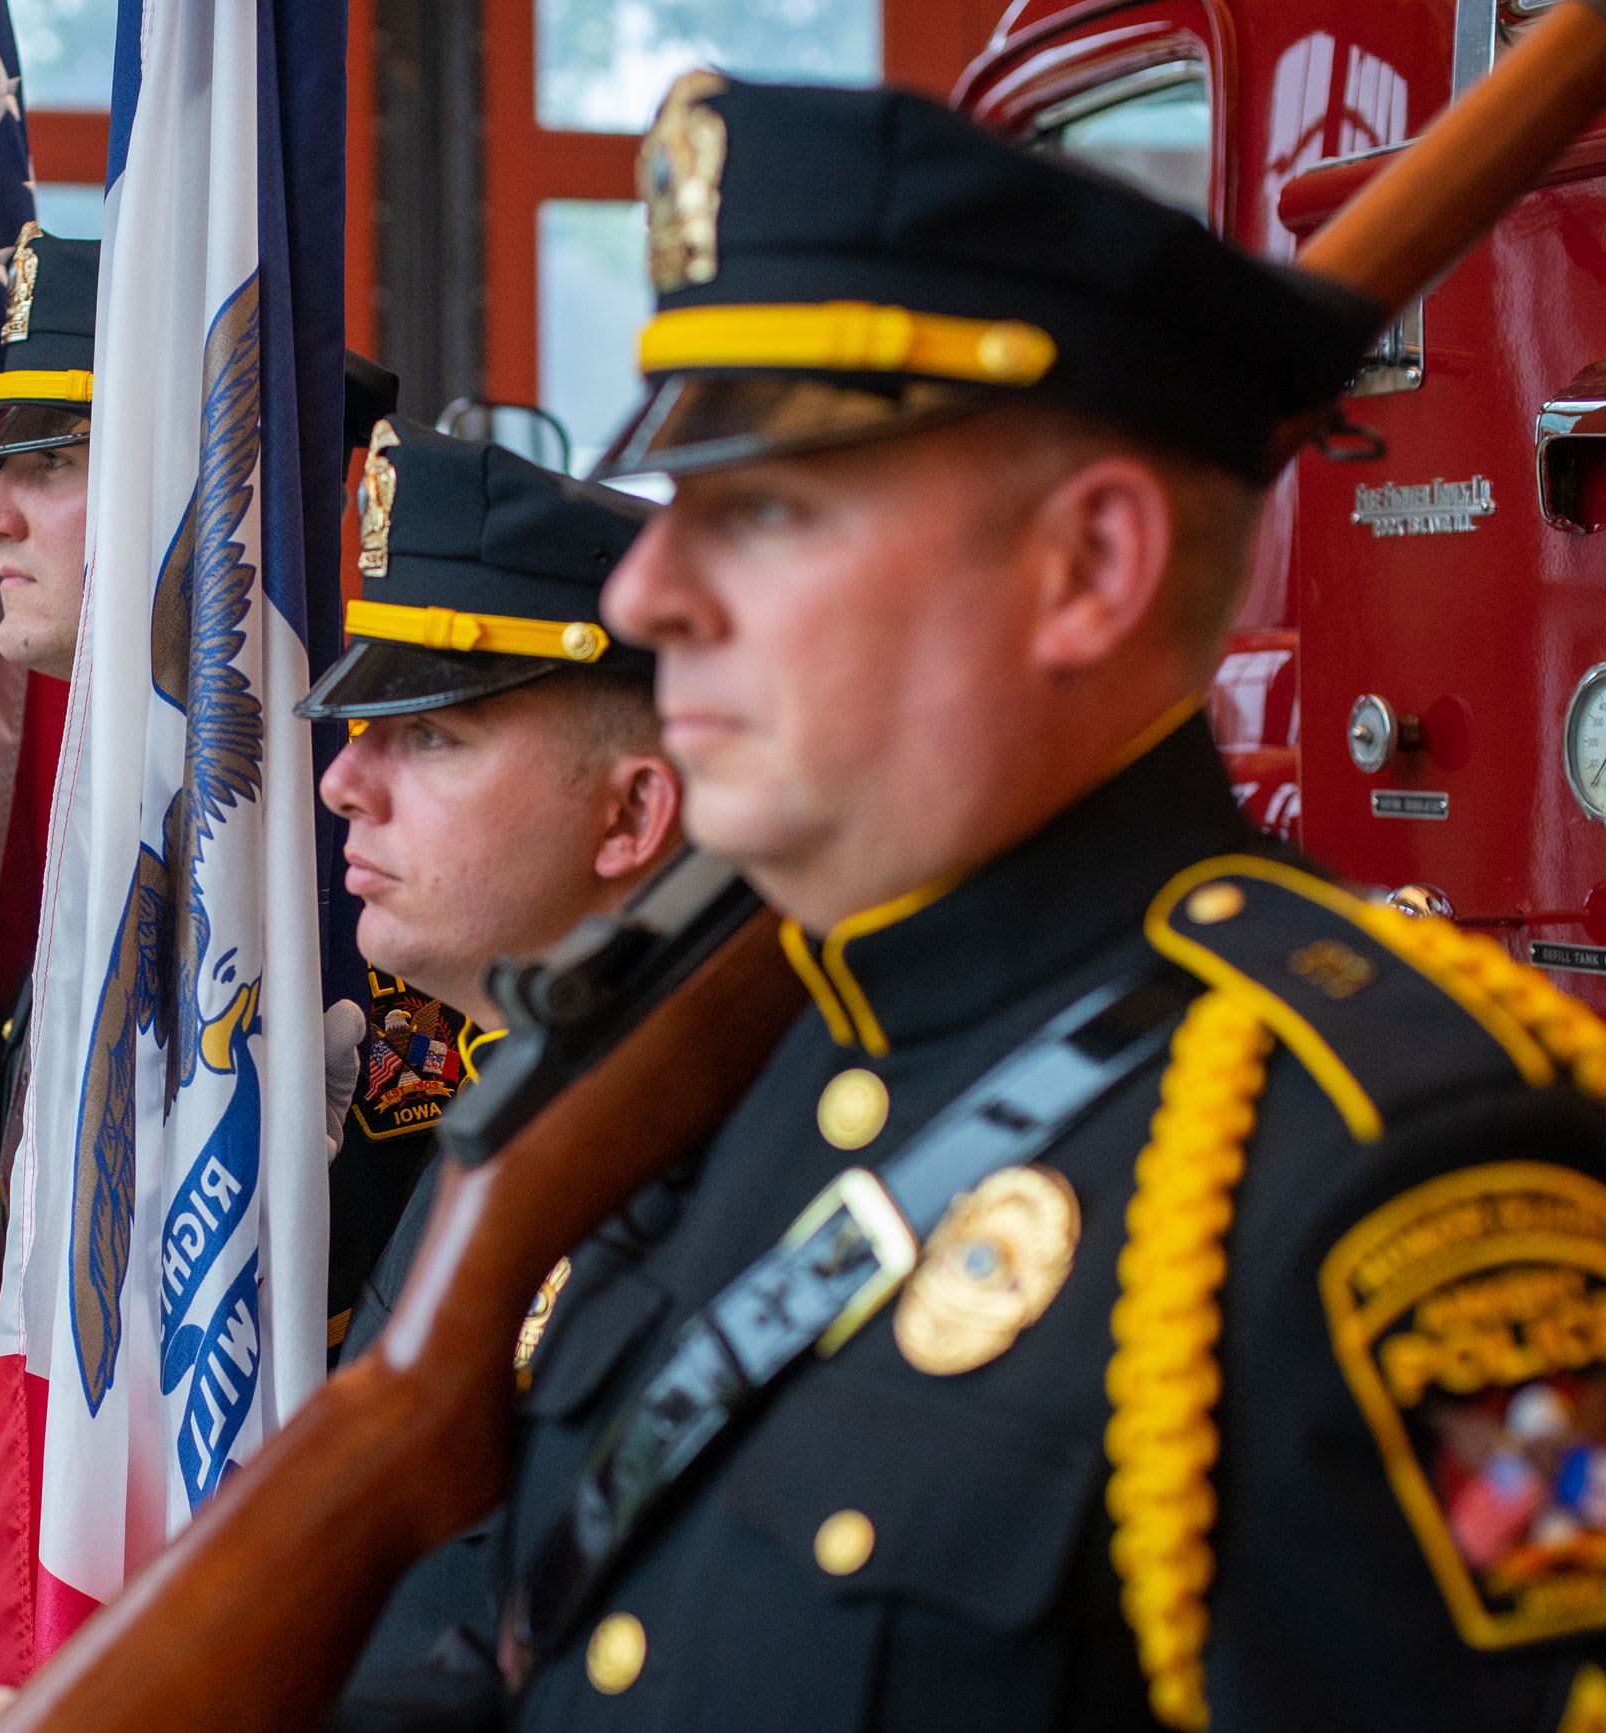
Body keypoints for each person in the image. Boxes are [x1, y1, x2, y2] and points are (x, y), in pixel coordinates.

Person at [340, 74, 1606, 1730]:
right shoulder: (733, 1077)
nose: (651, 587)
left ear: (1087, 567)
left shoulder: (1397, 1172)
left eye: (764, 504)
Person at [0, 225, 405, 1303]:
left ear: (203, 488)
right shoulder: (132, 776)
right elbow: (53, 1219)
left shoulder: (348, 799)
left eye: (47, 463)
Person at [295, 418, 682, 1683]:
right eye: (362, 728)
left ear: (628, 811)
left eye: (433, 736)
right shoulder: (510, 1083)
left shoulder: (669, 1147)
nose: (343, 781)